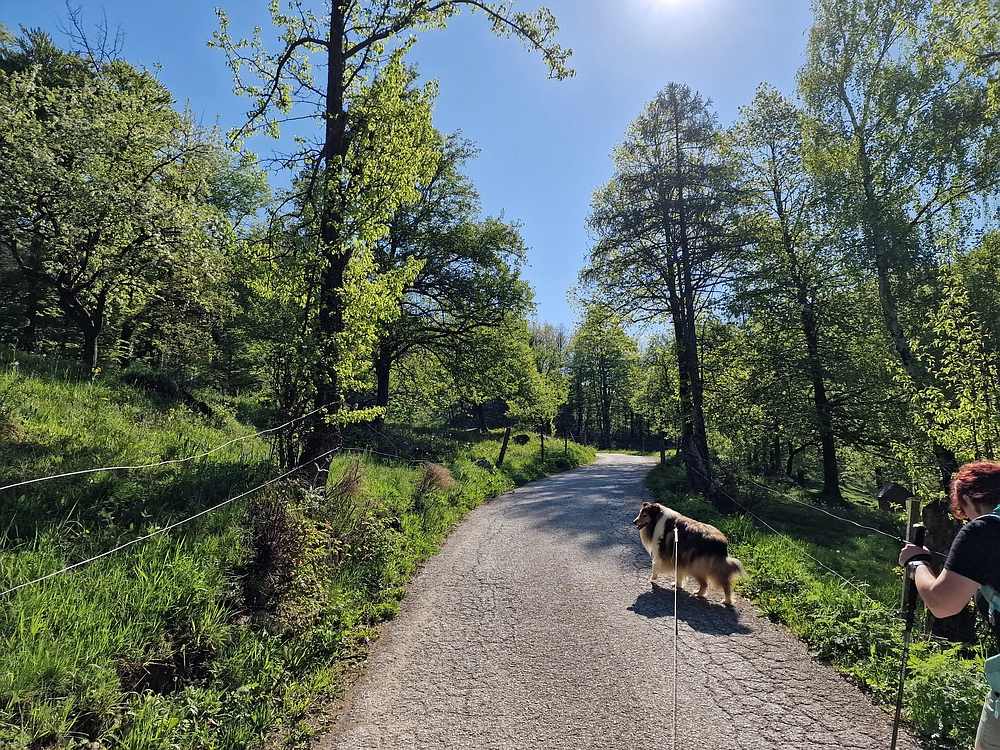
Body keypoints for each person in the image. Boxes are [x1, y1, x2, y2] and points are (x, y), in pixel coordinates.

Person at [899, 461, 1000, 750]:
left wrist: (917, 563)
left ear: (968, 498)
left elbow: (942, 604)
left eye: (963, 511)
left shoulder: (985, 530)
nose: (965, 519)